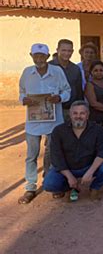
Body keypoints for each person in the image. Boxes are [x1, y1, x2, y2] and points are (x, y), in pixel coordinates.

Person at [18, 43, 71, 204]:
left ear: (48, 57)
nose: (39, 58)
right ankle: (30, 187)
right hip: (33, 122)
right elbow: (21, 92)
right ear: (31, 56)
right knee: (31, 155)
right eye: (36, 55)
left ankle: (50, 182)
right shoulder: (27, 72)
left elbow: (67, 90)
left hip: (53, 121)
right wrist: (23, 100)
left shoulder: (57, 72)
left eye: (42, 56)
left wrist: (60, 98)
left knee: (52, 154)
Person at [43, 101, 103, 201]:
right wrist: (69, 176)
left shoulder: (97, 130)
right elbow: (56, 157)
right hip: (67, 168)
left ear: (88, 115)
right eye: (75, 113)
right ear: (70, 115)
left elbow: (102, 153)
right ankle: (69, 188)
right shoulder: (58, 131)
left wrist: (90, 172)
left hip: (88, 166)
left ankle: (94, 188)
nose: (78, 116)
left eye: (82, 113)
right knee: (49, 184)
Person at [49, 39, 84, 121]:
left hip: (70, 110)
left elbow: (79, 91)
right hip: (53, 110)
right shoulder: (49, 67)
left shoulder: (75, 69)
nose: (66, 53)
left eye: (69, 51)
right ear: (57, 50)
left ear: (72, 51)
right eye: (63, 50)